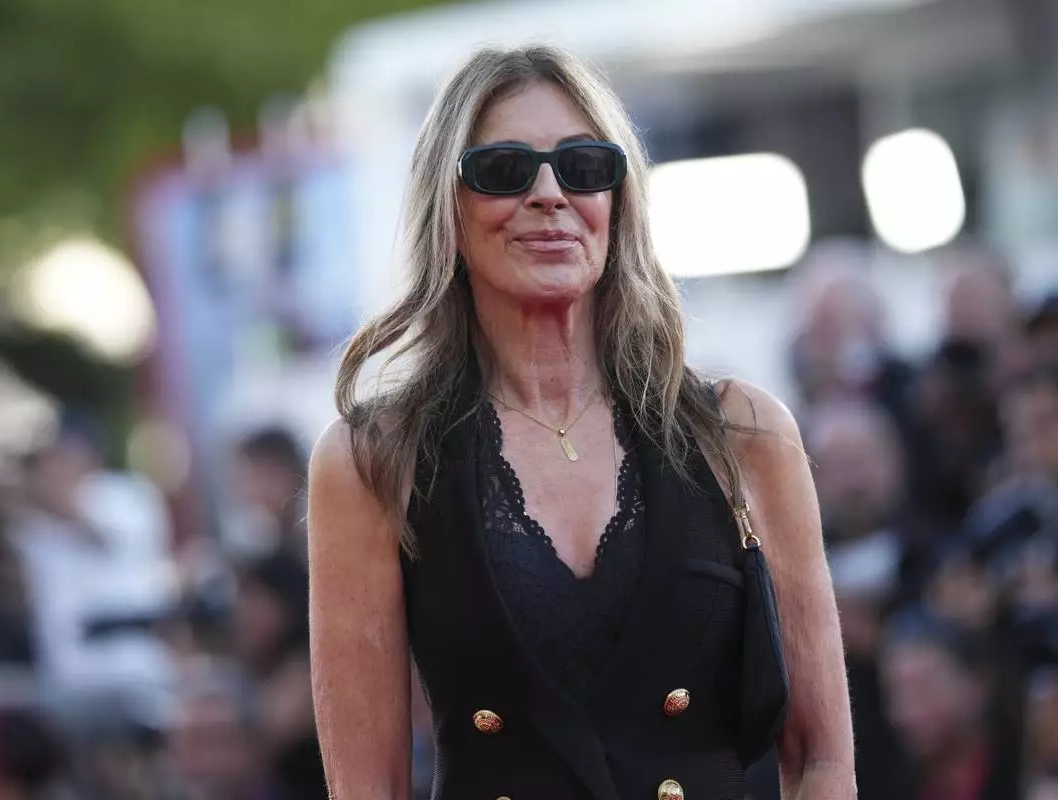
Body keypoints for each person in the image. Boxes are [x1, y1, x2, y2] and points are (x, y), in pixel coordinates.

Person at [307, 45, 854, 800]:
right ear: (448, 208)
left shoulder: (744, 433)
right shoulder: (375, 461)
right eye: (504, 170)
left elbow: (823, 759)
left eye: (584, 166)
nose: (549, 194)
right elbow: (367, 788)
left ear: (617, 198)